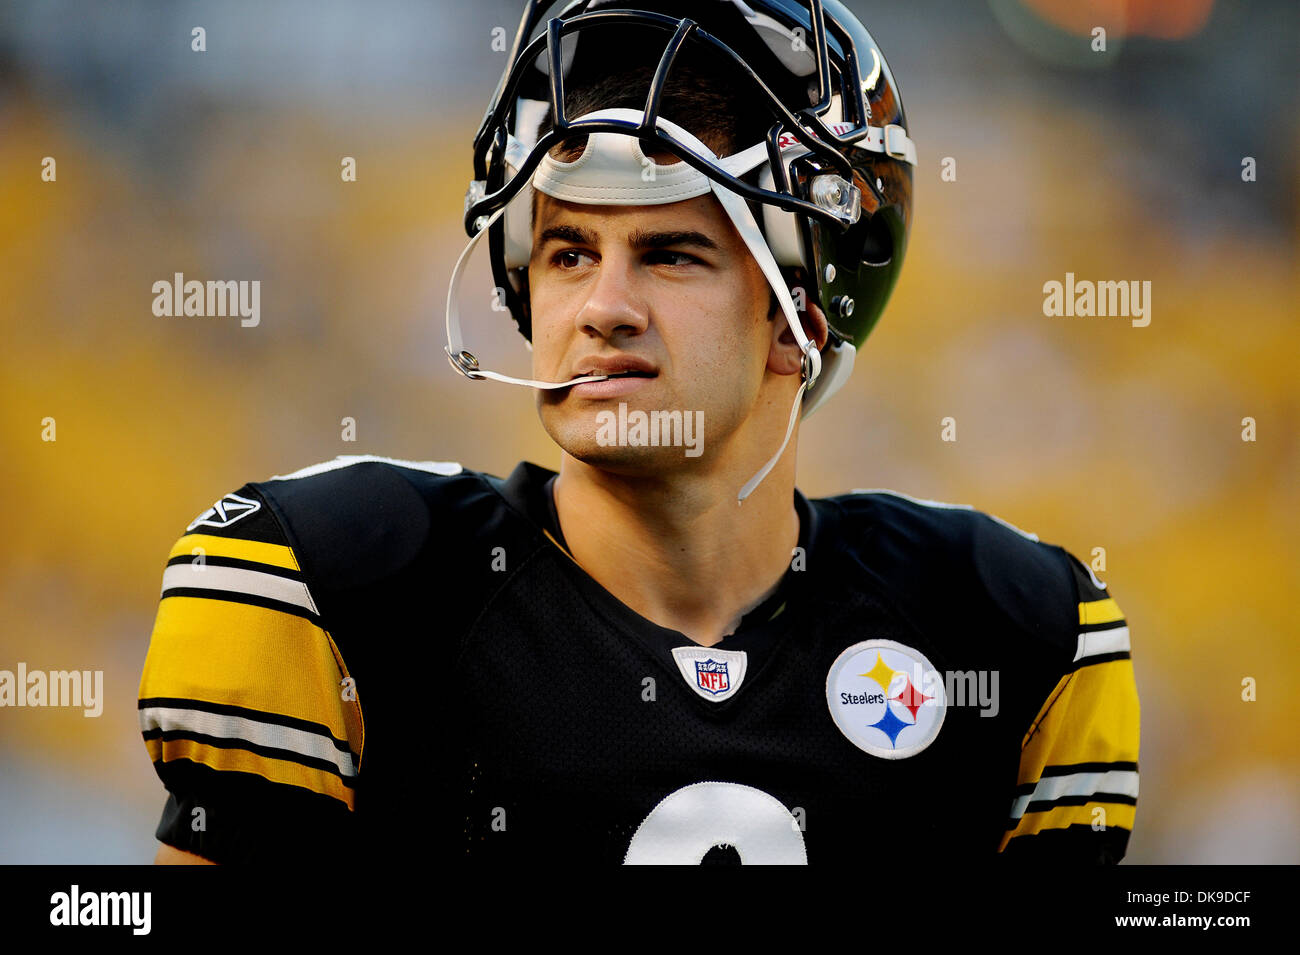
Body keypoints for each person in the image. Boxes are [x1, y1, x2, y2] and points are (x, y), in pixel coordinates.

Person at [141, 0, 1139, 865]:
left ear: (799, 323)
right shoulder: (347, 584)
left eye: (670, 253)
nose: (602, 306)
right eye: (570, 250)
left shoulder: (1005, 630)